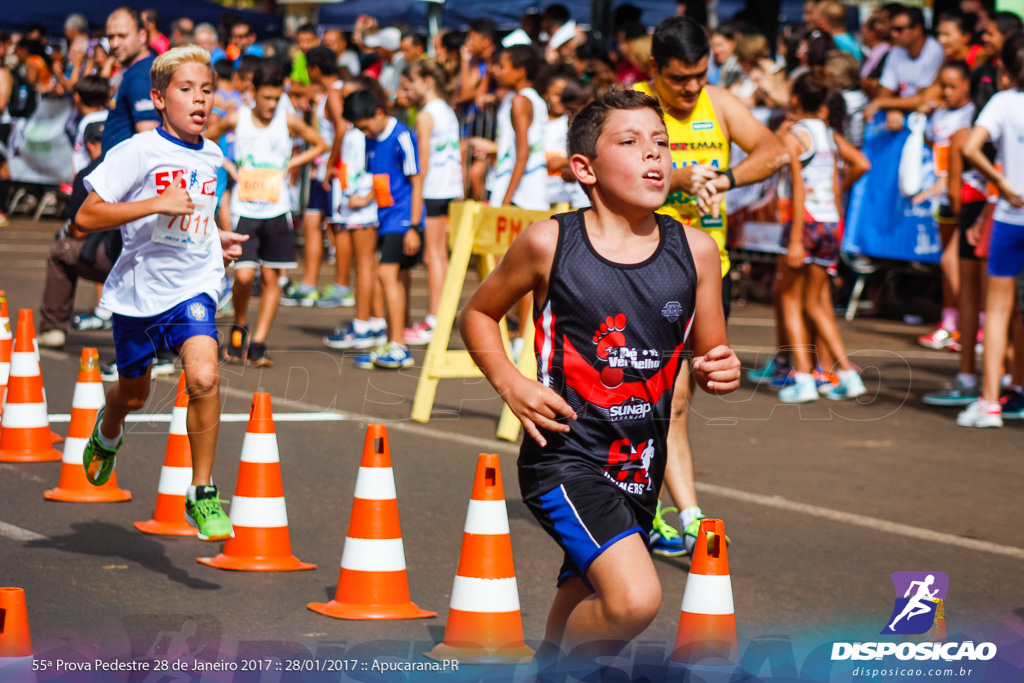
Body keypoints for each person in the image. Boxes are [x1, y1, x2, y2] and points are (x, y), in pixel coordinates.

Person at [457, 88, 740, 664]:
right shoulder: (549, 242)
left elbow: (711, 356)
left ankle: (549, 668)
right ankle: (560, 671)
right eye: (632, 143)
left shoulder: (697, 251)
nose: (654, 156)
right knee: (634, 599)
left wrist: (722, 369)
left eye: (661, 144)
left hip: (640, 461)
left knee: (584, 586)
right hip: (565, 455)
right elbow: (477, 314)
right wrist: (513, 385)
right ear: (584, 168)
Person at [75, 45, 248, 541]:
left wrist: (219, 238)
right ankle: (108, 433)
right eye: (186, 89)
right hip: (139, 292)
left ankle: (202, 493)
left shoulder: (212, 154)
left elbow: (198, 216)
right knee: (134, 394)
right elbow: (86, 217)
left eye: (207, 90)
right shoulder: (137, 151)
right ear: (158, 98)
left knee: (205, 376)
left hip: (192, 285)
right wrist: (157, 201)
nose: (200, 100)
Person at [635, 16, 786, 557]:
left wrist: (724, 178)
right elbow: (583, 168)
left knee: (677, 399)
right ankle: (656, 504)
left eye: (700, 75)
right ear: (654, 69)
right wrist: (672, 177)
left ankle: (672, 506)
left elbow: (774, 150)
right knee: (648, 395)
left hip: (705, 272)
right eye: (679, 78)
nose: (691, 88)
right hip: (639, 272)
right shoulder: (631, 107)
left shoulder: (719, 104)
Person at [205, 59, 327, 366]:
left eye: (276, 98)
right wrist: (227, 164)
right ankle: (241, 325)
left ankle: (258, 342)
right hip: (246, 210)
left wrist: (291, 164)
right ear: (253, 91)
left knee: (272, 278)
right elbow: (208, 138)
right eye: (266, 98)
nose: (271, 105)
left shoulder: (287, 121)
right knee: (244, 276)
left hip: (277, 210)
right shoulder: (239, 118)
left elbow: (320, 144)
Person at [777, 75, 871, 403]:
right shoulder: (829, 134)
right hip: (829, 222)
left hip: (805, 222)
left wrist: (794, 239)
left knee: (790, 299)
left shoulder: (794, 135)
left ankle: (803, 377)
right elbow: (840, 176)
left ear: (795, 101)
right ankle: (846, 373)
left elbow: (797, 185)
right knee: (817, 303)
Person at [958, 33, 1024, 428]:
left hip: (1011, 217)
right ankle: (1017, 388)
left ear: (1004, 68)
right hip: (1009, 216)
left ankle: (990, 403)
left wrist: (1001, 184)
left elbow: (970, 148)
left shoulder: (1003, 103)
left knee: (997, 312)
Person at [924, 65, 997, 407]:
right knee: (1003, 306)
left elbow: (954, 190)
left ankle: (970, 376)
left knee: (974, 297)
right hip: (1002, 213)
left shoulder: (964, 136)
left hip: (977, 216)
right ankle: (1007, 381)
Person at [343, 88, 424, 369]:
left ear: (379, 113)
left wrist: (414, 225)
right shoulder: (371, 139)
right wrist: (364, 199)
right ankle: (394, 339)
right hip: (384, 216)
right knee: (397, 278)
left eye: (365, 127)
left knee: (386, 274)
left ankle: (399, 345)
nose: (364, 133)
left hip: (402, 218)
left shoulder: (402, 136)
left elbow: (416, 181)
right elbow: (380, 179)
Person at [281, 46, 352, 308]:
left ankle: (342, 286)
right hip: (321, 170)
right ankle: (309, 283)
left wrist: (332, 163)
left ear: (314, 69)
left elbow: (342, 129)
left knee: (336, 227)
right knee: (312, 223)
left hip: (332, 171)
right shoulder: (326, 91)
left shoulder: (334, 92)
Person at [38, 122, 119, 350]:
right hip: (155, 255)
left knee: (60, 250)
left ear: (89, 145)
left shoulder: (90, 174)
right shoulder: (138, 165)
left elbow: (79, 230)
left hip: (114, 256)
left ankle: (53, 327)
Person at [322, 77, 388, 351]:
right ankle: (373, 321)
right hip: (352, 203)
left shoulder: (367, 135)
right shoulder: (354, 133)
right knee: (363, 266)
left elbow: (380, 171)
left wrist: (368, 196)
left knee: (365, 266)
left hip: (364, 207)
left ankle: (365, 324)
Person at [916, 62, 976, 352]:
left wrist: (947, 182)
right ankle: (950, 323)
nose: (948, 92)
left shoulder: (973, 114)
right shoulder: (938, 115)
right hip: (943, 200)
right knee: (947, 263)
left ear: (967, 84)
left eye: (953, 86)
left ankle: (972, 325)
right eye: (944, 86)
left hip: (963, 196)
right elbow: (932, 143)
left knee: (955, 264)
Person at [403, 59, 463, 346]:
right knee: (440, 254)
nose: (408, 89)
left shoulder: (427, 114)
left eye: (411, 82)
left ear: (427, 81)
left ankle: (435, 317)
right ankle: (440, 314)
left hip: (433, 189)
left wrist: (415, 195)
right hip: (447, 186)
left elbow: (421, 162)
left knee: (434, 255)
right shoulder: (446, 110)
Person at [865, 7, 945, 131]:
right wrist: (892, 108)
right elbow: (884, 94)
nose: (893, 34)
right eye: (892, 29)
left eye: (899, 29)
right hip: (903, 116)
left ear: (917, 29)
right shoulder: (895, 52)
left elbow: (924, 100)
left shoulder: (935, 51)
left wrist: (882, 103)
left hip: (928, 119)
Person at [102, 7, 161, 155]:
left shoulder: (142, 75)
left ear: (142, 35)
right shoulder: (134, 71)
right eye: (111, 37)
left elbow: (149, 139)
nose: (115, 43)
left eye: (122, 36)